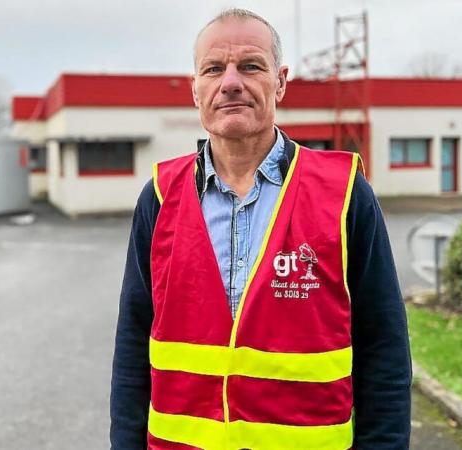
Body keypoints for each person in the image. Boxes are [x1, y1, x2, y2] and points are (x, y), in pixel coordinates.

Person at [110, 8, 411, 450]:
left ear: (281, 81)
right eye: (213, 69)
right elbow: (133, 344)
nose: (230, 82)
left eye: (250, 66)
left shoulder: (344, 193)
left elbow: (383, 348)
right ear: (195, 89)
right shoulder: (159, 196)